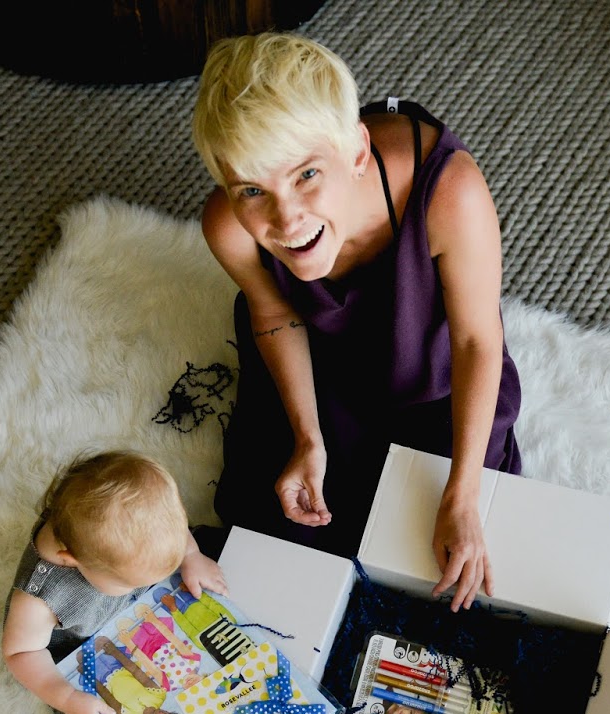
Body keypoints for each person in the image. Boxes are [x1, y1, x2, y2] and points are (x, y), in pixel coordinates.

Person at [193, 32, 521, 612]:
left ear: (358, 153)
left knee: (443, 559)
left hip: (431, 374)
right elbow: (274, 313)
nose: (286, 219)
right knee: (278, 545)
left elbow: (476, 340)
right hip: (317, 366)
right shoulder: (227, 225)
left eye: (306, 175)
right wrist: (307, 436)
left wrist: (463, 494)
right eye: (252, 189)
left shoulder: (451, 193)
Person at [2, 451, 227, 714]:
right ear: (72, 561)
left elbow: (174, 530)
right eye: (130, 583)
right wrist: (68, 699)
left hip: (142, 615)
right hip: (81, 642)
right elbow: (20, 653)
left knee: (214, 557)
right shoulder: (41, 598)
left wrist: (190, 556)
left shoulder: (145, 522)